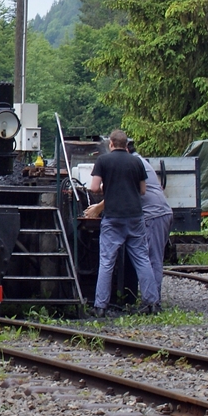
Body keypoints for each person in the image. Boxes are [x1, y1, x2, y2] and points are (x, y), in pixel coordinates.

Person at [86, 129, 158, 317]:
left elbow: (94, 187)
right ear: (126, 145)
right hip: (135, 217)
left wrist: (107, 187)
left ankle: (100, 306)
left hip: (113, 218)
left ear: (111, 143)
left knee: (107, 261)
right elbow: (142, 190)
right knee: (142, 259)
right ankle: (151, 303)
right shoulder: (137, 162)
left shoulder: (103, 161)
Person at [128, 139, 172, 312]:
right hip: (157, 212)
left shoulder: (135, 163)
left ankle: (154, 303)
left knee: (153, 260)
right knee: (149, 258)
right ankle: (151, 299)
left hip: (155, 214)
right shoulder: (138, 160)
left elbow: (128, 190)